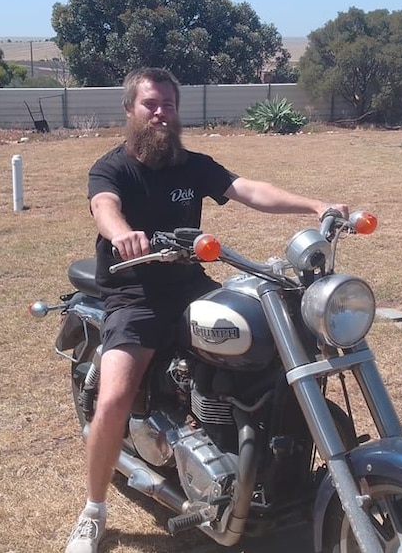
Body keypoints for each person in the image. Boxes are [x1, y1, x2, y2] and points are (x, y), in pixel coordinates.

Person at [65, 67, 348, 553]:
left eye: (168, 105)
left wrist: (314, 204)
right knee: (113, 398)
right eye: (150, 104)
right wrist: (122, 234)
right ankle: (94, 510)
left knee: (261, 347)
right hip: (134, 293)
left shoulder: (192, 165)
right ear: (130, 110)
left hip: (190, 285)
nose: (160, 113)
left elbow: (248, 190)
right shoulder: (112, 168)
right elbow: (104, 206)